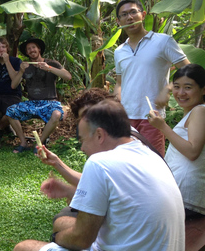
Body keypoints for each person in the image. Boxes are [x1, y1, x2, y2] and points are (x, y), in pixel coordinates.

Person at [14, 100, 185, 251]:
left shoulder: (99, 162)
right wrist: (68, 191)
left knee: (24, 247)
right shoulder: (148, 154)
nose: (82, 148)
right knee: (62, 222)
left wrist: (56, 239)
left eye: (82, 140)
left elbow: (81, 240)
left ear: (100, 135)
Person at [114, 0, 189, 156]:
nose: (130, 17)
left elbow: (189, 71)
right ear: (118, 21)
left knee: (154, 163)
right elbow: (120, 83)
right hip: (126, 118)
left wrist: (168, 88)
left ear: (143, 14)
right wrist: (116, 101)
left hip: (152, 117)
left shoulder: (163, 41)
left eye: (133, 12)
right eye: (124, 14)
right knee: (130, 164)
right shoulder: (119, 51)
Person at [148, 64, 205, 250]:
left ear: (203, 89)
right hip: (182, 192)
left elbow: (192, 151)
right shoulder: (193, 112)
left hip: (187, 194)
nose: (181, 92)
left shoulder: (200, 111)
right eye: (177, 86)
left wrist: (162, 127)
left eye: (188, 87)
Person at [6, 38, 71, 153]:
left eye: (33, 47)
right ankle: (23, 143)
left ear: (39, 49)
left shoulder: (51, 63)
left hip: (50, 102)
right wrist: (20, 72)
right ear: (26, 53)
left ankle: (39, 144)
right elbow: (13, 85)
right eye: (28, 49)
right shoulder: (25, 66)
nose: (31, 50)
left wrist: (49, 68)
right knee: (10, 111)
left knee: (56, 114)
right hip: (32, 103)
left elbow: (68, 76)